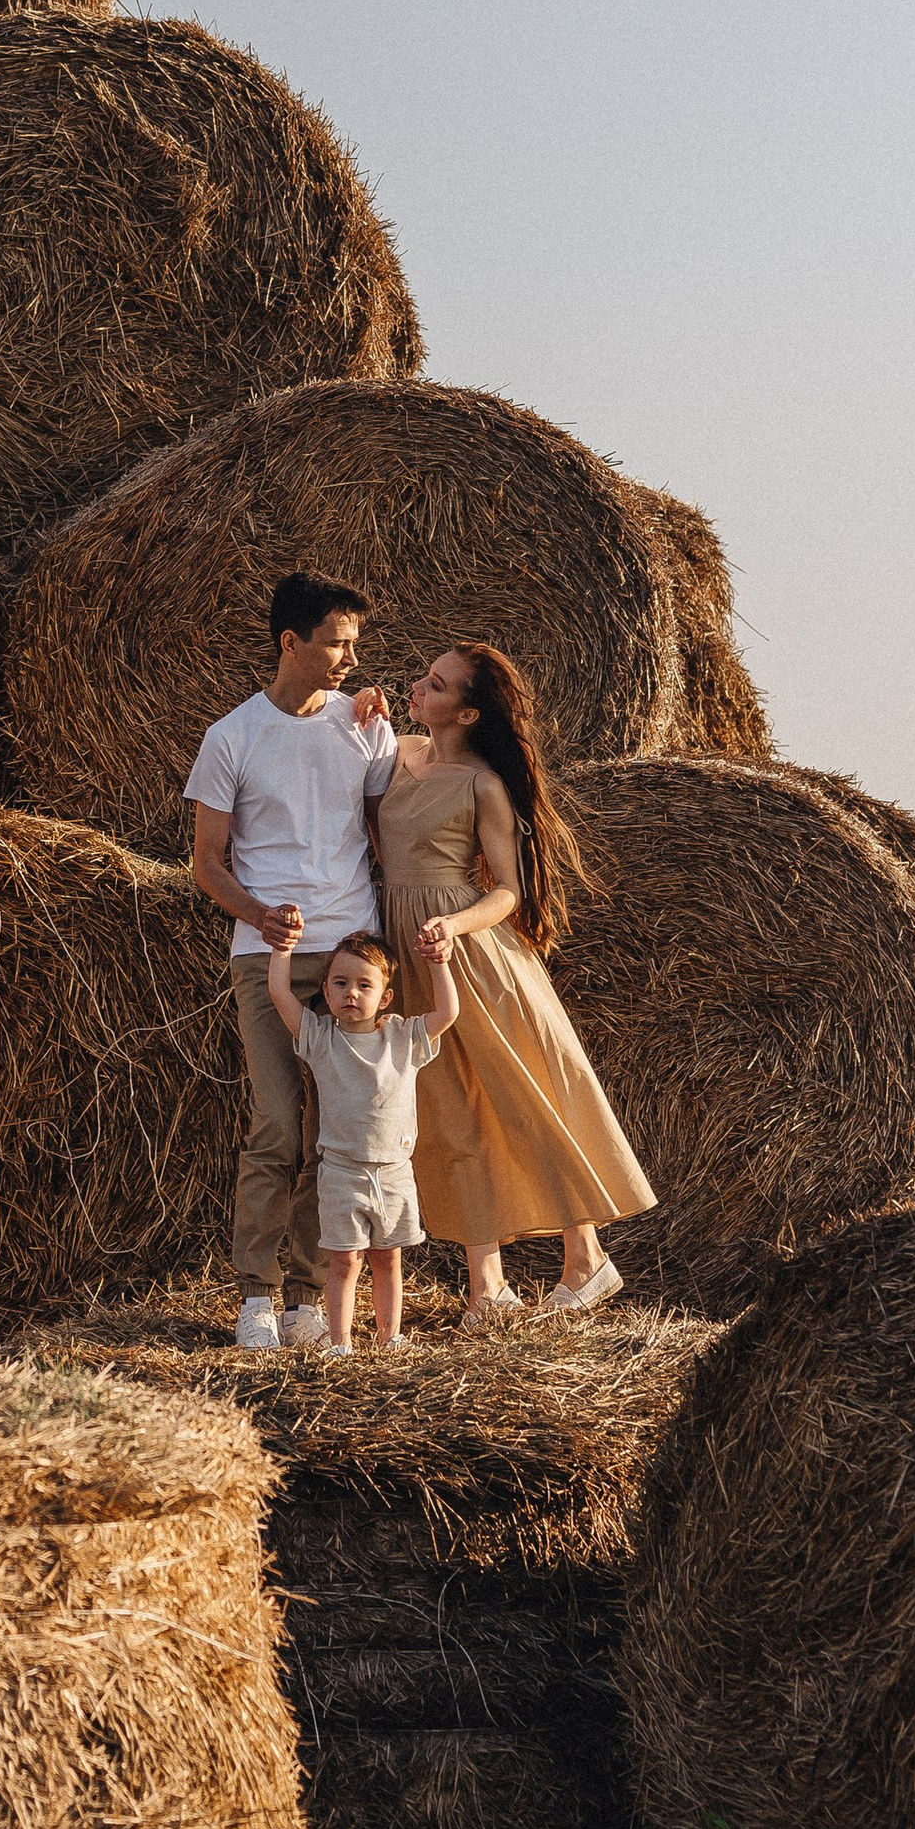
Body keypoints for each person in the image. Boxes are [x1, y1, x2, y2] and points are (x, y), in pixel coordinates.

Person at [373, 639, 655, 1321]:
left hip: (468, 951)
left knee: (523, 1097)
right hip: (409, 950)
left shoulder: (484, 785)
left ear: (467, 714)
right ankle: (487, 1288)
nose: (419, 686)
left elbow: (509, 892)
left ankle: (586, 1259)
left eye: (437, 684)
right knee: (452, 1117)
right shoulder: (399, 753)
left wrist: (457, 927)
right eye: (426, 675)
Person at [185, 572, 398, 1352]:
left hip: (350, 955)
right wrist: (259, 916)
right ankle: (256, 1297)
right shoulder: (231, 737)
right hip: (266, 959)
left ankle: (311, 1295)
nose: (349, 657)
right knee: (276, 1124)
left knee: (334, 1134)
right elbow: (207, 863)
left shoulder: (363, 726)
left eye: (354, 645)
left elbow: (388, 827)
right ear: (291, 642)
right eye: (338, 642)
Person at [265, 921, 461, 1352]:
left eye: (363, 985)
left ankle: (391, 1337)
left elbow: (447, 1014)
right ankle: (341, 1343)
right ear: (327, 991)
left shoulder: (403, 1037)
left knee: (389, 1260)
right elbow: (280, 995)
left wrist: (439, 962)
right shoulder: (320, 1037)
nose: (351, 993)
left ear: (384, 997)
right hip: (341, 1173)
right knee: (344, 1262)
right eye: (340, 984)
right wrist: (282, 950)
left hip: (394, 1172)